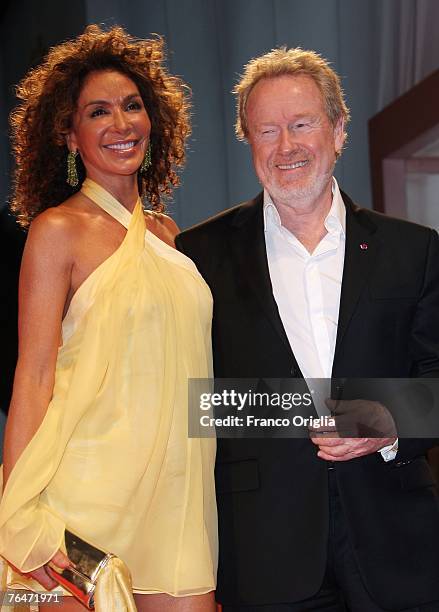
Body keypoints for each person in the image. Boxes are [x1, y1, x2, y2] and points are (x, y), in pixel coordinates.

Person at [176, 48, 439, 611]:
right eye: (266, 130)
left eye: (302, 124)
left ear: (339, 130)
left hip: (396, 543)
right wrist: (295, 414)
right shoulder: (197, 256)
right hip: (266, 547)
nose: (286, 146)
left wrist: (385, 422)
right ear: (247, 141)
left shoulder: (413, 250)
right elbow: (188, 401)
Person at [0, 25, 217, 612]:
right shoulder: (56, 232)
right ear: (69, 137)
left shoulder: (171, 238)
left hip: (177, 502)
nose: (121, 124)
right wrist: (20, 515)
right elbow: (35, 375)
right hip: (83, 499)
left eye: (132, 106)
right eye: (99, 112)